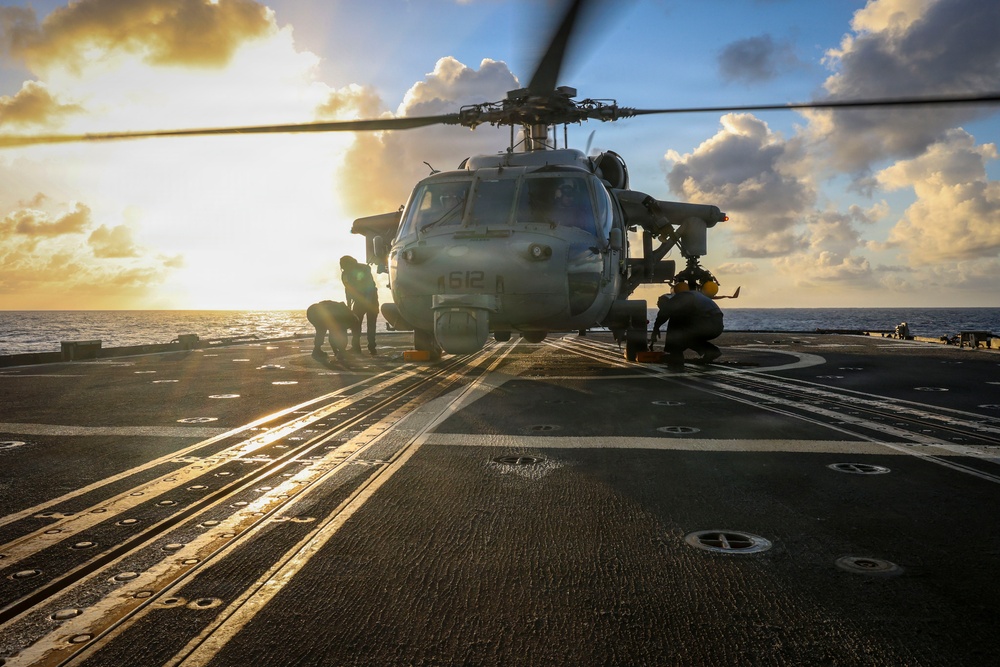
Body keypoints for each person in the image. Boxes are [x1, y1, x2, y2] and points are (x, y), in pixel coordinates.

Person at [650, 283, 724, 368]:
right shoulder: (695, 295)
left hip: (706, 324)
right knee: (686, 336)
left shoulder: (680, 297)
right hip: (717, 326)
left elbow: (665, 312)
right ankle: (710, 351)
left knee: (675, 323)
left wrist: (655, 329)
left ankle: (675, 356)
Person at [340, 255, 379, 356]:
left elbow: (369, 285)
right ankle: (361, 347)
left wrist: (367, 301)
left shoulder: (364, 269)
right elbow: (347, 288)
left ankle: (369, 347)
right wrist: (348, 304)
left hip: (369, 300)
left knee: (363, 325)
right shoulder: (346, 273)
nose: (343, 268)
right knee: (359, 325)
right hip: (363, 301)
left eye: (344, 265)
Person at [306, 300, 357, 365]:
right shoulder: (345, 318)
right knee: (323, 329)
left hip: (312, 310)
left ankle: (316, 350)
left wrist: (337, 351)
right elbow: (333, 335)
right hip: (316, 312)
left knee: (321, 330)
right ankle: (318, 350)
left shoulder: (345, 313)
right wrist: (339, 351)